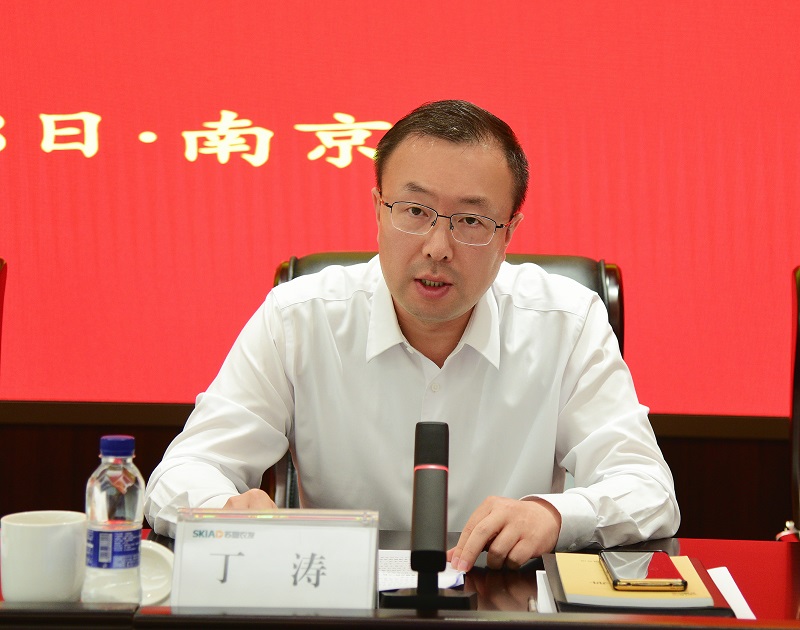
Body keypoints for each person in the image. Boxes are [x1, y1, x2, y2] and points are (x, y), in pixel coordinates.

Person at [144, 99, 679, 571]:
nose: (437, 247)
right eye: (415, 211)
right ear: (378, 209)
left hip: (506, 609)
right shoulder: (299, 319)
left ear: (509, 233)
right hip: (344, 607)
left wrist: (555, 516)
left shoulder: (568, 322)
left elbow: (648, 489)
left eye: (471, 221)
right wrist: (224, 508)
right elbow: (184, 471)